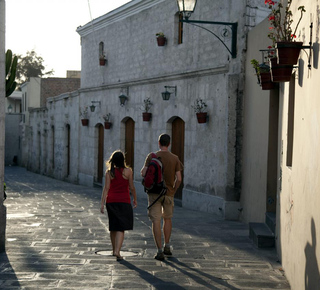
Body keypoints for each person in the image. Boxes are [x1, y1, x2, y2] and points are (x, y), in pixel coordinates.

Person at [141, 134, 183, 261]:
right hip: (168, 193)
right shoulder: (175, 158)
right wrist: (173, 190)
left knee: (156, 221)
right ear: (169, 144)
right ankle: (167, 245)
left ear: (159, 143)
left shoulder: (152, 156)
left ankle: (159, 251)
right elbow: (179, 178)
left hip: (154, 194)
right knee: (168, 219)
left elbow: (143, 173)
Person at [100, 150, 137, 261]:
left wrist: (102, 203)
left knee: (113, 226)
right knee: (121, 228)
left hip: (111, 202)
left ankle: (113, 249)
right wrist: (135, 199)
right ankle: (117, 251)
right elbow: (131, 187)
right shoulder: (128, 172)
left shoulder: (109, 173)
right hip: (124, 201)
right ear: (123, 160)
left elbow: (106, 189)